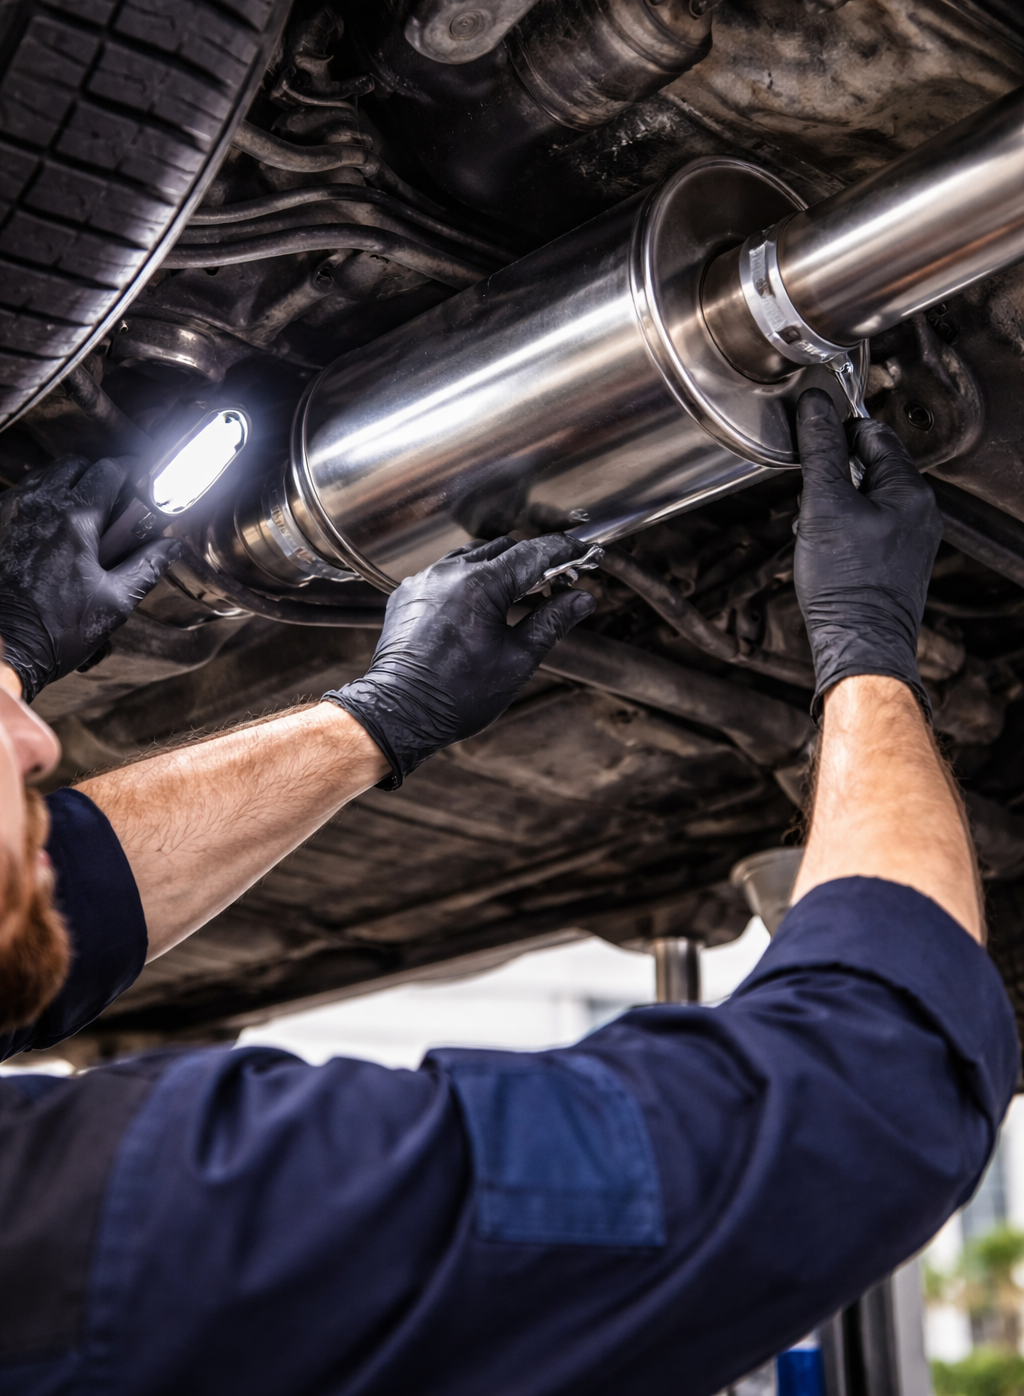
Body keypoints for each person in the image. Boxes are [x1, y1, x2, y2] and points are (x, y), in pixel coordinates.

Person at [0, 391, 1015, 1396]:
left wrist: (379, 715)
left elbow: (59, 909)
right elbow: (861, 1093)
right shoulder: (122, 1228)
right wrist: (867, 647)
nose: (39, 740)